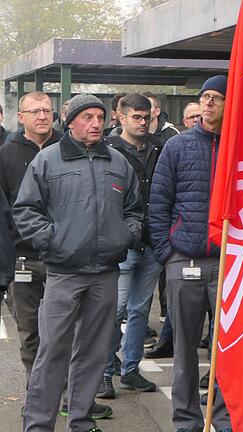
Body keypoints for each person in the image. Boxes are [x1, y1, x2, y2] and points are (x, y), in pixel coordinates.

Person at [14, 93, 142, 432]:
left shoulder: (118, 162)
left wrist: (125, 235)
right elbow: (25, 210)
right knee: (51, 352)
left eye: (100, 117)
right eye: (87, 117)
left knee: (94, 354)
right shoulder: (48, 160)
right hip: (62, 273)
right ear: (70, 122)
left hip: (105, 274)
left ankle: (81, 421)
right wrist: (52, 240)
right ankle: (39, 425)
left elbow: (134, 210)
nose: (96, 123)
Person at [149, 75, 233, 432]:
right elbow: (158, 203)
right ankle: (186, 421)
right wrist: (168, 253)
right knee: (184, 350)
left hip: (230, 264)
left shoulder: (241, 149)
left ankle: (226, 418)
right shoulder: (178, 146)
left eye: (217, 97)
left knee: (228, 350)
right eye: (205, 97)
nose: (209, 103)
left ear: (231, 103)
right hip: (184, 260)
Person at [96, 94, 164, 399]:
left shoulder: (158, 148)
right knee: (115, 308)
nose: (143, 122)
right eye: (136, 116)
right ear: (120, 117)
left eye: (146, 117)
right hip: (121, 244)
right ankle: (104, 371)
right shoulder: (108, 151)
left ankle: (130, 369)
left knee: (139, 309)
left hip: (152, 242)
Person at [0, 92, 61, 381]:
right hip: (23, 258)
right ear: (20, 117)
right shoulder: (5, 154)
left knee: (66, 330)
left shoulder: (67, 147)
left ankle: (66, 394)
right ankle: (37, 392)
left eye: (47, 110)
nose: (42, 116)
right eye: (35, 111)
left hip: (65, 256)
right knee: (30, 331)